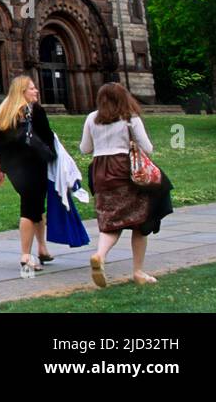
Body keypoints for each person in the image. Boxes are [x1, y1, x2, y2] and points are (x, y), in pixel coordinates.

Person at [81, 83, 173, 287]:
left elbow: (85, 148)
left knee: (111, 219)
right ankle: (138, 271)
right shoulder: (130, 118)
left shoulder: (92, 118)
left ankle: (100, 255)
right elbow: (147, 148)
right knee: (141, 221)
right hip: (125, 172)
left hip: (100, 172)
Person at [0, 74, 57, 274]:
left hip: (14, 169)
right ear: (22, 92)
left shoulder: (5, 111)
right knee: (30, 209)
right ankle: (26, 255)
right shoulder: (34, 111)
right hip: (33, 165)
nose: (36, 91)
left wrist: (0, 167)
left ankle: (42, 248)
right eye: (31, 88)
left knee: (36, 206)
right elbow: (47, 137)